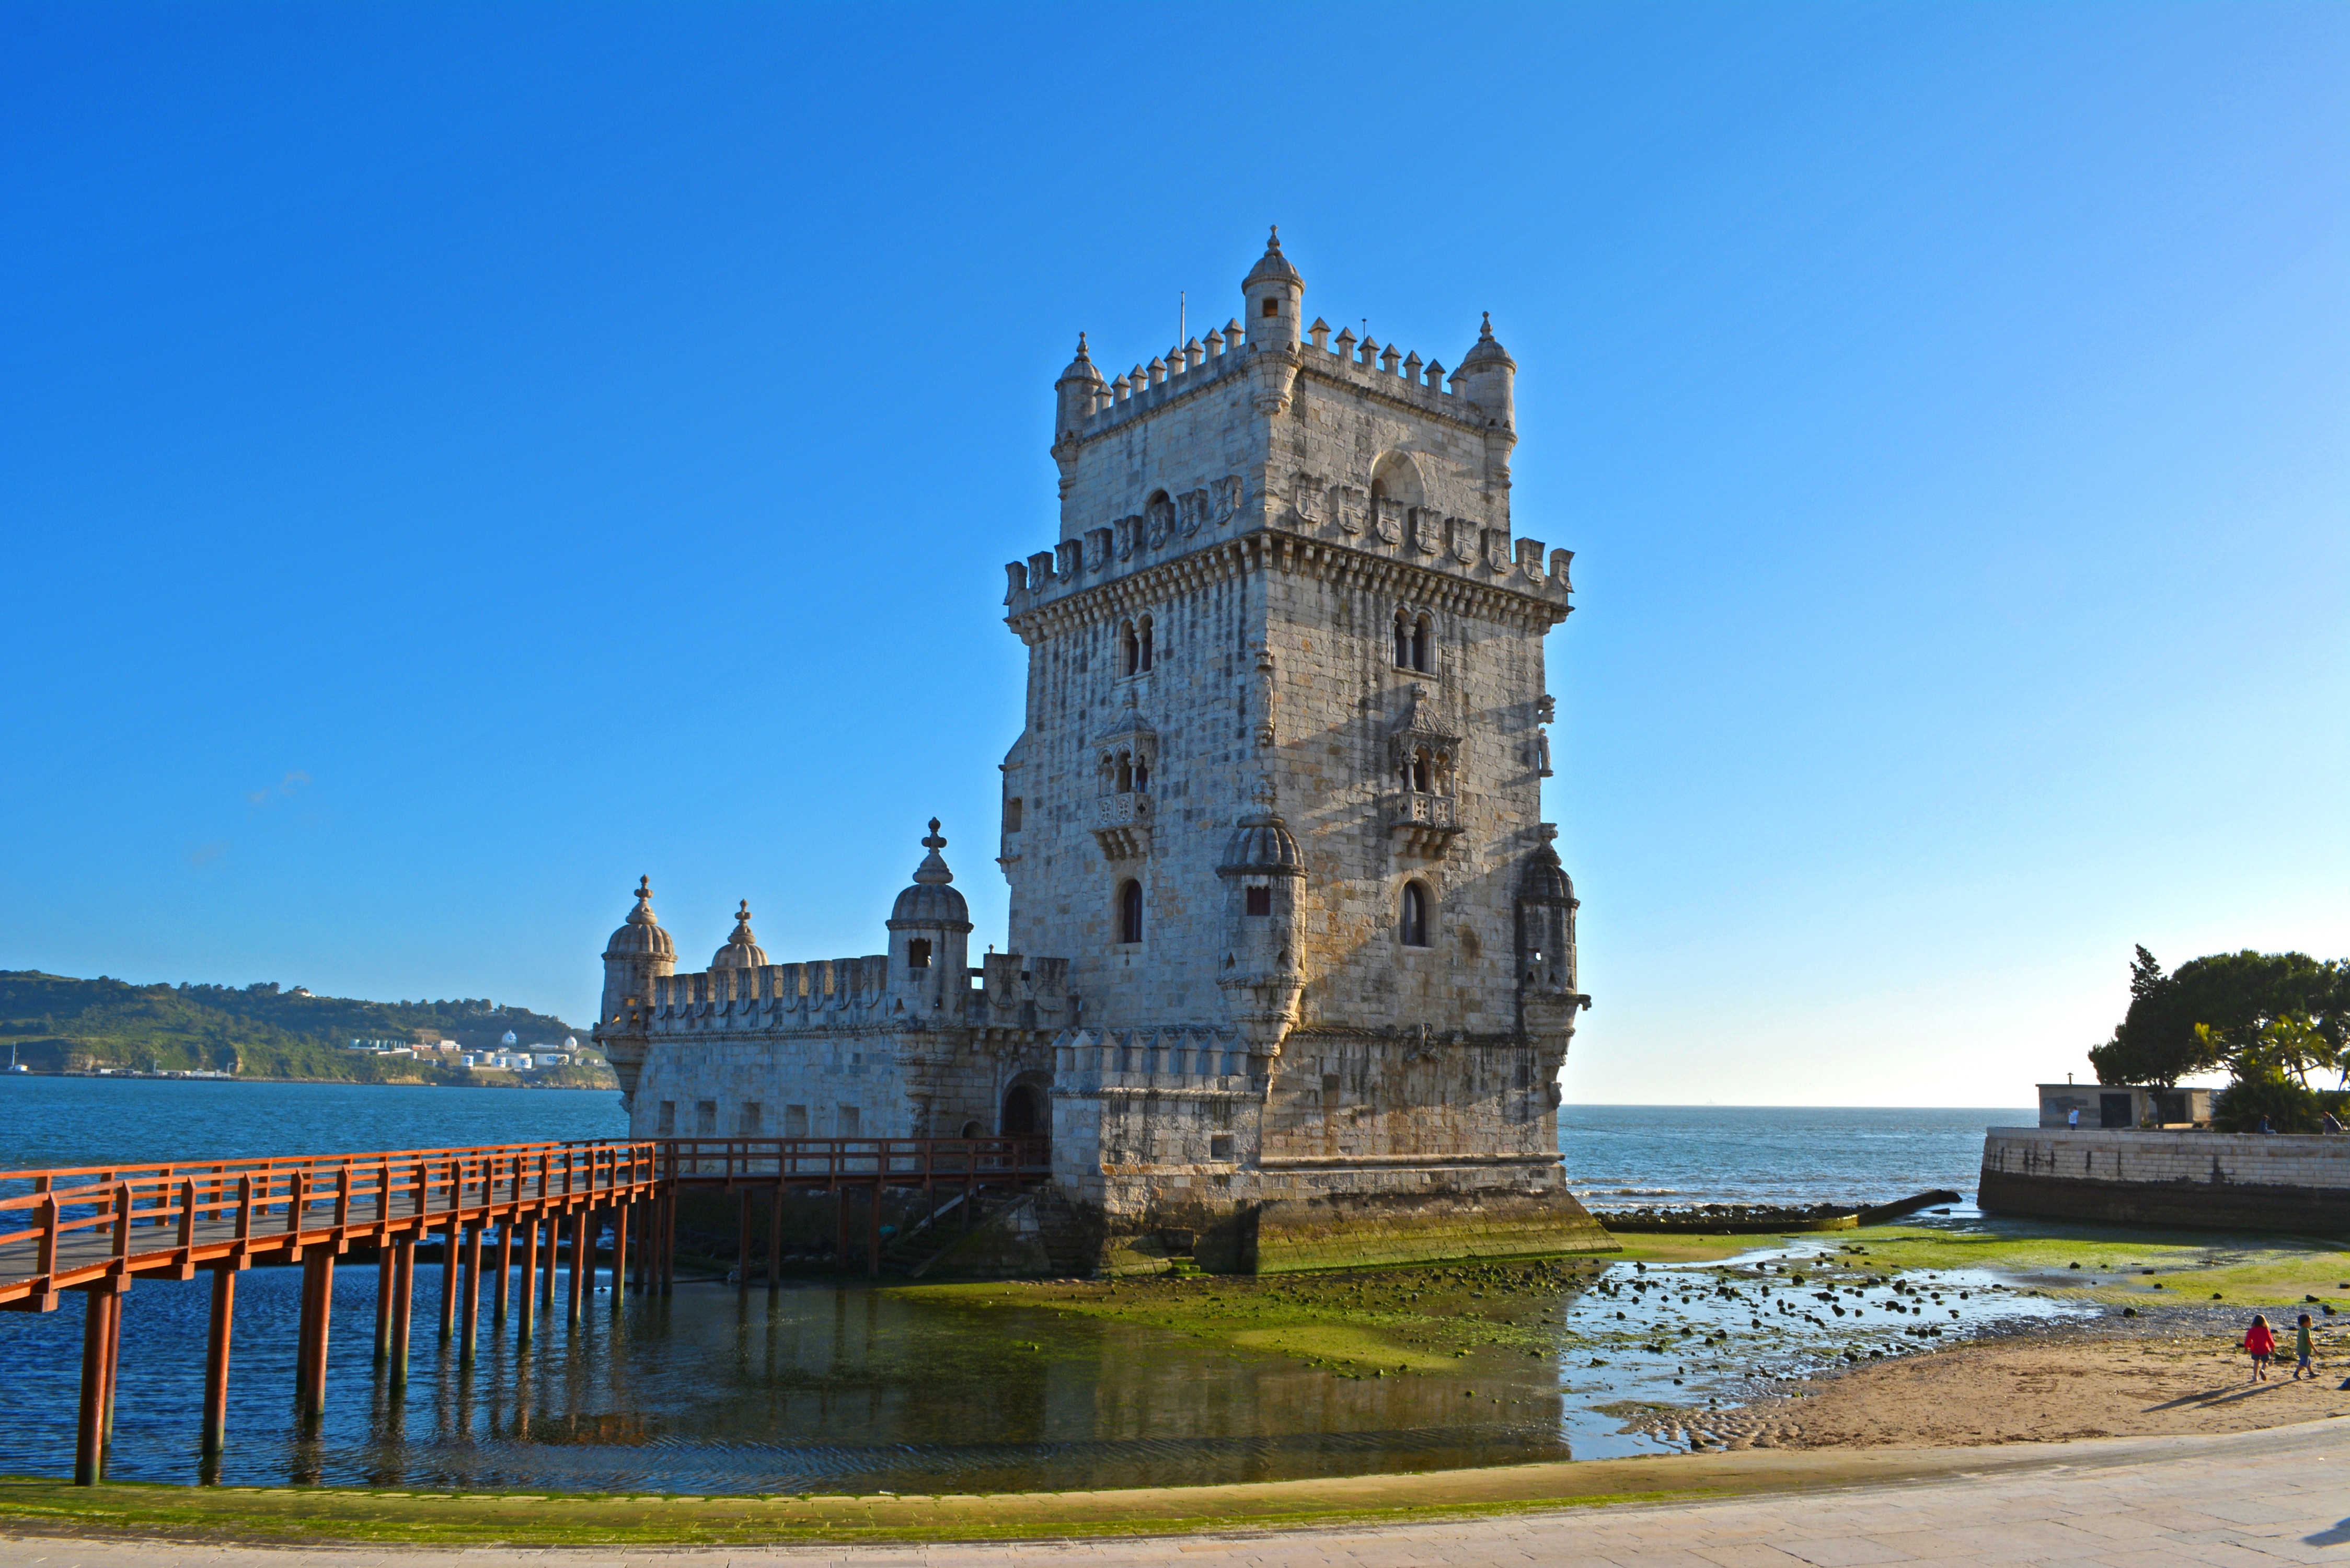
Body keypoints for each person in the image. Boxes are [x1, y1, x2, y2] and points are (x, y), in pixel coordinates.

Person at [2244, 1314, 2275, 1381]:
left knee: (2256, 1362)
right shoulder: (2266, 1330)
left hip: (2255, 1348)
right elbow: (2270, 1340)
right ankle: (2262, 1370)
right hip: (2264, 1349)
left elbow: (2248, 1340)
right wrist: (2272, 1348)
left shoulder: (2252, 1330)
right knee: (2265, 1362)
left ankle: (2255, 1377)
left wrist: (2246, 1347)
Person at [2293, 1313, 2315, 1380]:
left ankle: (2311, 1373)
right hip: (2304, 1350)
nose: (2311, 1323)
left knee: (2308, 1362)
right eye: (2310, 1321)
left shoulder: (2301, 1330)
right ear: (2306, 1322)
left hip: (2301, 1350)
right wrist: (2315, 1349)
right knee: (2303, 1362)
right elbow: (2309, 1341)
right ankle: (2296, 1373)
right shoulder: (2306, 1330)